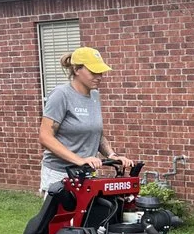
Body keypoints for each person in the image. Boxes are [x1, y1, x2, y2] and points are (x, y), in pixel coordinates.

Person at [38, 46, 134, 193]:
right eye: (93, 72)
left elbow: (96, 133)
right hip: (60, 174)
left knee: (91, 215)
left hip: (86, 172)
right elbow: (45, 137)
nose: (99, 76)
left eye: (100, 72)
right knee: (63, 216)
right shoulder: (61, 95)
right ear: (77, 70)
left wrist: (112, 155)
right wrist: (80, 160)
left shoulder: (94, 96)